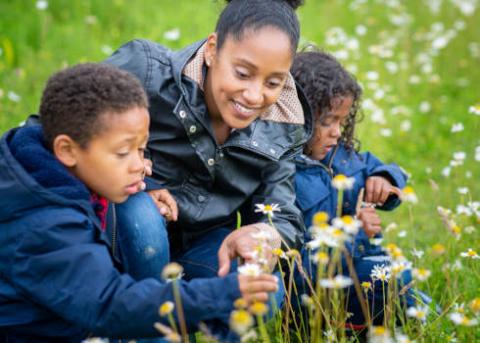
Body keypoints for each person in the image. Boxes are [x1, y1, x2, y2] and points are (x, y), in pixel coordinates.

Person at [0, 63, 278, 342]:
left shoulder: (53, 180)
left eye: (142, 149)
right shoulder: (44, 225)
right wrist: (223, 294)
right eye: (123, 152)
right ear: (67, 150)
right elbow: (110, 306)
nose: (140, 166)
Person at [106, 0, 311, 320]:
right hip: (123, 242)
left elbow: (282, 213)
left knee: (262, 293)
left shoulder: (281, 124)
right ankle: (145, 330)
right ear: (213, 49)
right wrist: (137, 181)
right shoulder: (146, 73)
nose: (255, 96)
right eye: (242, 73)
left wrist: (266, 235)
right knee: (140, 215)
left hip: (202, 250)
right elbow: (68, 134)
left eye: (273, 83)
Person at [291, 50, 411, 328]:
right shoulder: (286, 176)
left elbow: (382, 168)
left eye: (342, 121)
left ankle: (408, 314)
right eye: (326, 121)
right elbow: (304, 263)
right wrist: (356, 231)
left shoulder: (341, 155)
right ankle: (350, 327)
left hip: (357, 264)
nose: (336, 131)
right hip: (315, 289)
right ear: (297, 116)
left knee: (406, 285)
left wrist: (384, 178)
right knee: (395, 279)